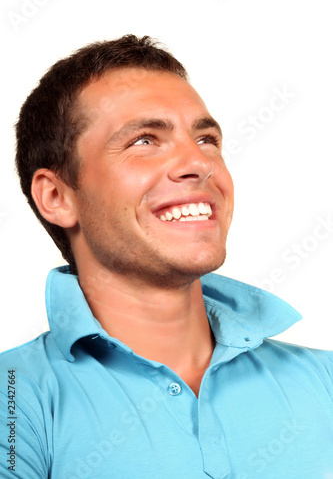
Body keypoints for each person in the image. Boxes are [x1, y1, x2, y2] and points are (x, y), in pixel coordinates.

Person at [0, 35, 332, 479]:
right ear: (58, 196)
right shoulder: (14, 396)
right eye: (144, 140)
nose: (198, 162)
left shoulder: (325, 381)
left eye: (207, 139)